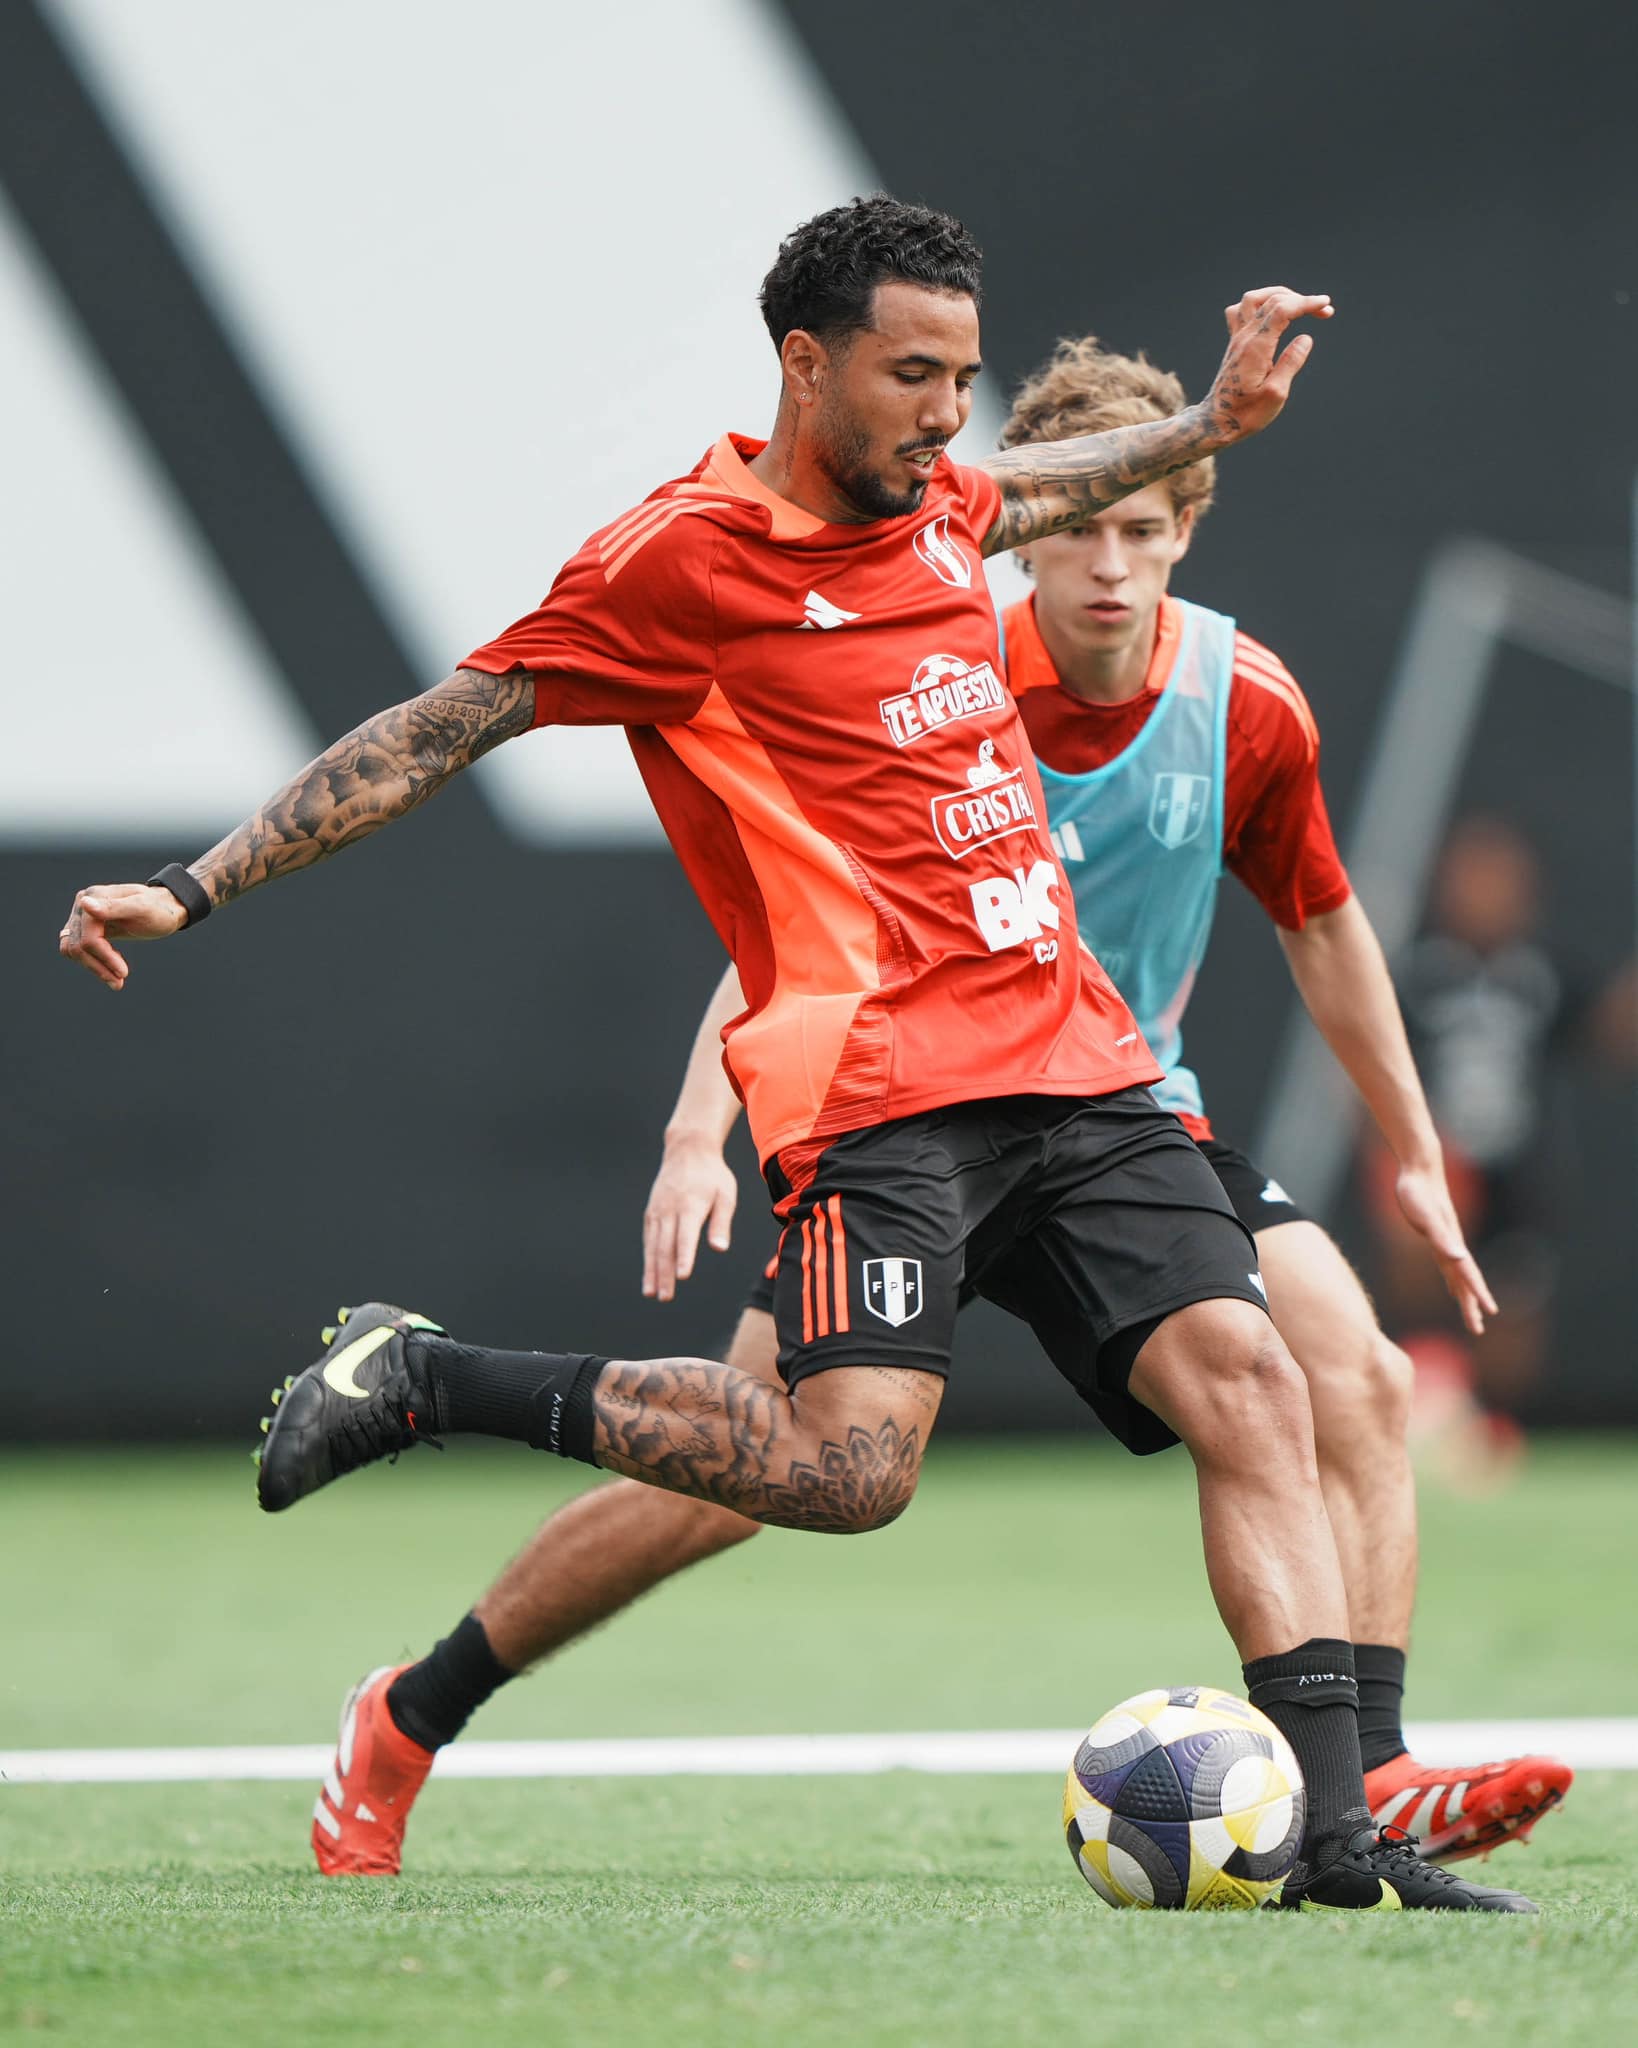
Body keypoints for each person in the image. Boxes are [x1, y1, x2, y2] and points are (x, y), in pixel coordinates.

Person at [59, 198, 1533, 1912]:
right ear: (804, 363)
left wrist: (1211, 418)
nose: (944, 413)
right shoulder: (675, 562)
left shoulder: (949, 507)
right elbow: (436, 730)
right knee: (840, 1476)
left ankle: (1342, 1847)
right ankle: (423, 1382)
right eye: (913, 376)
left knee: (1260, 1380)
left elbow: (1036, 484)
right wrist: (198, 884)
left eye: (961, 378)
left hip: (1081, 1067)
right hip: (882, 1096)